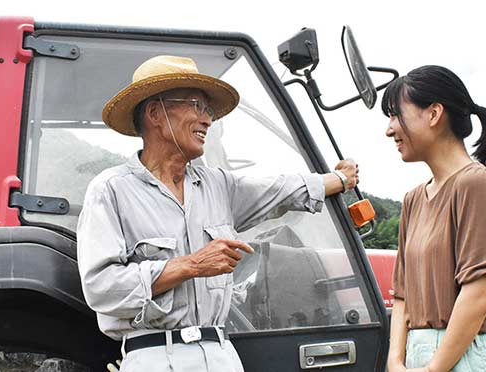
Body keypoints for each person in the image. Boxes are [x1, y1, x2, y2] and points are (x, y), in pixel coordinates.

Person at [76, 55, 359, 372]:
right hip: (154, 356)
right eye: (196, 106)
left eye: (208, 110)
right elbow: (101, 287)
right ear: (156, 113)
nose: (208, 120)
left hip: (221, 355)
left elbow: (279, 189)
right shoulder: (111, 190)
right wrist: (191, 265)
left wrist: (340, 180)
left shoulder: (219, 186)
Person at [383, 65, 486, 372]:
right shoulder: (413, 200)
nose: (389, 129)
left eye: (395, 114)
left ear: (433, 114)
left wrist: (433, 369)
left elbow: (480, 289)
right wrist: (395, 362)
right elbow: (402, 295)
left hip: (465, 358)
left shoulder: (475, 182)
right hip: (420, 359)